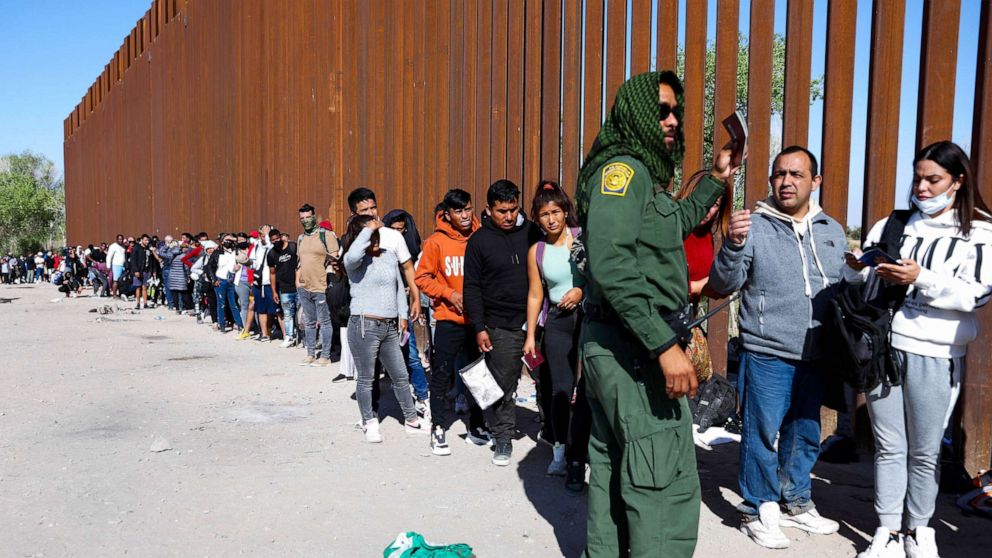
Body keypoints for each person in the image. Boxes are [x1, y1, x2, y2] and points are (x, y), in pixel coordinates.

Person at [575, 70, 737, 557]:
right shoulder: (623, 171)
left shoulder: (645, 175)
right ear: (637, 113)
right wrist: (665, 347)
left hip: (624, 344)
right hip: (636, 346)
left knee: (617, 469)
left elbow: (674, 224)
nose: (672, 120)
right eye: (661, 110)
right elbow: (612, 262)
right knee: (661, 478)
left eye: (676, 112)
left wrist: (716, 179)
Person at [844, 141, 992, 558]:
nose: (923, 188)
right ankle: (887, 531)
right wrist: (858, 268)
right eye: (918, 179)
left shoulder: (980, 231)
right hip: (883, 348)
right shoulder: (894, 224)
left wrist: (919, 277)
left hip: (937, 352)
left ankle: (919, 530)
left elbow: (975, 295)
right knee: (889, 445)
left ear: (958, 181)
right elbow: (855, 278)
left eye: (934, 180)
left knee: (925, 451)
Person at [709, 145, 846, 548]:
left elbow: (843, 285)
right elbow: (722, 284)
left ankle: (796, 501)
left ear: (815, 181)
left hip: (816, 353)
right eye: (779, 174)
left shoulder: (832, 230)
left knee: (805, 432)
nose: (786, 182)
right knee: (762, 433)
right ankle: (758, 507)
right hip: (767, 349)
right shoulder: (754, 225)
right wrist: (732, 245)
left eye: (796, 174)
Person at [463, 179, 541, 466]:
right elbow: (471, 287)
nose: (509, 216)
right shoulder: (479, 241)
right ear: (488, 209)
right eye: (501, 211)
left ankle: (553, 433)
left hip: (536, 323)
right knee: (503, 386)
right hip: (500, 325)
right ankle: (503, 437)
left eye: (513, 209)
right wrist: (480, 327)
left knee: (546, 378)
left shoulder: (533, 232)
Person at [523, 180, 590, 489]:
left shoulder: (581, 239)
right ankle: (560, 451)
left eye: (555, 211)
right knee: (559, 389)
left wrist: (581, 290)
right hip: (558, 321)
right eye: (544, 214)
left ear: (566, 212)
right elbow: (536, 295)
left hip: (588, 318)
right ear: (537, 218)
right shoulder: (536, 251)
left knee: (589, 387)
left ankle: (585, 451)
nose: (551, 219)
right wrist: (531, 336)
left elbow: (600, 275)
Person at [414, 188, 491, 455]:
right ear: (447, 213)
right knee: (443, 374)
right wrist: (449, 294)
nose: (465, 215)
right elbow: (422, 278)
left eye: (468, 209)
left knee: (479, 373)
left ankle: (477, 426)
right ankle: (438, 427)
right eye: (458, 211)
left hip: (478, 320)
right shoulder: (436, 242)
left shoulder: (482, 237)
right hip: (448, 319)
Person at [343, 215, 428, 442]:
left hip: (390, 326)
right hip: (363, 325)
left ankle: (411, 420)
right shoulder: (354, 261)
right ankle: (369, 421)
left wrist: (402, 315)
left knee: (400, 376)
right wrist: (368, 230)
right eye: (371, 235)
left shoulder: (389, 255)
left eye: (377, 234)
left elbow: (399, 287)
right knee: (367, 378)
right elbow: (351, 255)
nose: (376, 238)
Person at [347, 188, 422, 322]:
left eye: (373, 208)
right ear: (353, 213)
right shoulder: (352, 239)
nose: (371, 213)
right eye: (364, 210)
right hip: (363, 314)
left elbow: (408, 268)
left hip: (391, 313)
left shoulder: (393, 236)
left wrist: (416, 299)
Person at [383, 209, 431, 411]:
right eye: (392, 229)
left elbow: (417, 279)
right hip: (384, 307)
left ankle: (422, 394)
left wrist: (414, 298)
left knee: (411, 352)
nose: (396, 233)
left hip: (406, 306)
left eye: (400, 230)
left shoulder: (412, 251)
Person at [296, 203, 340, 366]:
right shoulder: (301, 238)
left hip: (321, 286)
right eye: (302, 218)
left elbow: (335, 256)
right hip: (304, 286)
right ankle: (310, 353)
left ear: (314, 217)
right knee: (309, 322)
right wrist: (298, 281)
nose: (306, 220)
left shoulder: (325, 235)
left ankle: (326, 356)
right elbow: (300, 262)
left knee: (325, 321)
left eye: (308, 217)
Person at [204, 233, 244, 333]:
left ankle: (240, 325)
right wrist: (213, 280)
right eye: (226, 240)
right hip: (220, 280)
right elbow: (210, 267)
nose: (228, 242)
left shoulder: (235, 251)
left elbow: (243, 242)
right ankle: (221, 325)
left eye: (230, 240)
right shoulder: (217, 253)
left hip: (232, 281)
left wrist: (233, 238)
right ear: (221, 242)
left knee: (233, 304)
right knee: (221, 304)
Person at [268, 228, 299, 348]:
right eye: (273, 240)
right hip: (284, 288)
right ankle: (289, 337)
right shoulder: (271, 254)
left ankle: (303, 337)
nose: (276, 241)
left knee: (301, 313)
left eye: (277, 239)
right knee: (287, 313)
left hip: (298, 285)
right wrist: (274, 291)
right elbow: (272, 273)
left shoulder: (293, 247)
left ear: (281, 237)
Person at [129, 234, 153, 310]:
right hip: (138, 270)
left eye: (148, 240)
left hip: (146, 270)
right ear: (141, 240)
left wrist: (151, 271)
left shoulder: (148, 248)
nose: (147, 241)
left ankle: (145, 303)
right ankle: (138, 304)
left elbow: (150, 260)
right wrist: (136, 271)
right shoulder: (136, 248)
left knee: (145, 287)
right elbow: (133, 260)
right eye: (145, 240)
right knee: (138, 287)